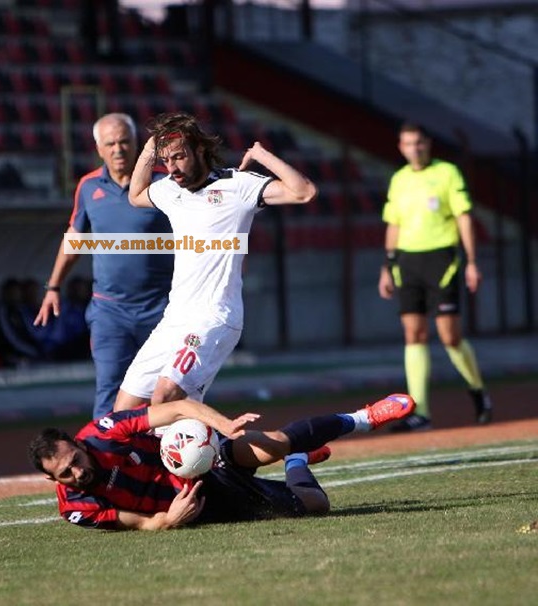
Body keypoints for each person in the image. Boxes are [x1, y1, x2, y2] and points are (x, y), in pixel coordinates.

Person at [114, 112, 318, 410]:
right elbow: (135, 196)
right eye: (165, 160)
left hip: (215, 317)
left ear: (199, 149)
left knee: (164, 396)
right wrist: (149, 148)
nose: (172, 168)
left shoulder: (238, 185)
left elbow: (305, 192)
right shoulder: (170, 189)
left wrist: (261, 155)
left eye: (179, 157)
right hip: (174, 319)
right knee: (123, 412)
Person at [28, 392, 416, 530]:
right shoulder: (77, 509)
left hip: (203, 459)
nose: (78, 472)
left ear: (76, 443)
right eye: (66, 474)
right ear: (53, 480)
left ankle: (362, 418)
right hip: (203, 503)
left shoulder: (103, 432)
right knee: (317, 506)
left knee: (270, 442)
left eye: (75, 459)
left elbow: (179, 407)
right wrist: (167, 520)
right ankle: (298, 460)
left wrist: (224, 426)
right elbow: (142, 524)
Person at [34, 113, 173, 418]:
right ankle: (102, 447)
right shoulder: (88, 187)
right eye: (110, 144)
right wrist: (53, 287)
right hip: (110, 311)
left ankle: (166, 448)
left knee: (165, 392)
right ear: (99, 149)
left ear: (136, 143)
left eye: (124, 141)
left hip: (161, 308)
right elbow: (74, 240)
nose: (118, 149)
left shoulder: (165, 181)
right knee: (109, 389)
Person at [378, 122, 492, 432]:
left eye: (419, 142)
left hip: (441, 260)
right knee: (413, 334)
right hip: (407, 262)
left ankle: (478, 390)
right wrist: (387, 266)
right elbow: (393, 224)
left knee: (449, 337)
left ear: (428, 143)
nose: (414, 149)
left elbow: (464, 218)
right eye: (407, 144)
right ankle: (419, 412)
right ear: (401, 147)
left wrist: (471, 262)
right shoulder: (399, 179)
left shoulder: (447, 173)